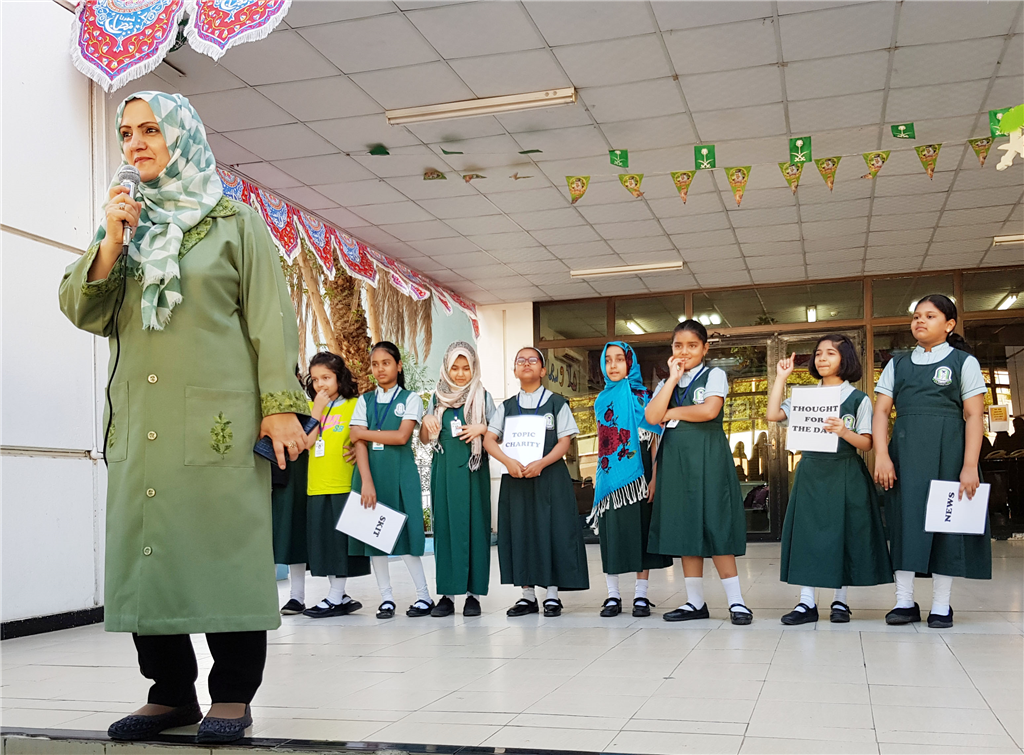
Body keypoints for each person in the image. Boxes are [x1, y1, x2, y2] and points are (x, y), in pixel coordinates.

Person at [59, 91, 308, 744]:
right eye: (126, 132)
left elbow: (271, 317)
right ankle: (170, 693)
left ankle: (232, 692)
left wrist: (281, 408)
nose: (136, 142)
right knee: (150, 551)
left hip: (220, 424)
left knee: (226, 550)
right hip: (142, 422)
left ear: (183, 136)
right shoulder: (125, 223)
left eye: (151, 129)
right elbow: (82, 308)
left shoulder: (235, 222)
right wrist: (111, 243)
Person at [874, 295, 989, 629]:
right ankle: (904, 601)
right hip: (904, 456)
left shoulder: (963, 362)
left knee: (946, 525)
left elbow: (974, 415)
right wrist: (882, 455)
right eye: (916, 316)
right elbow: (881, 412)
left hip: (950, 455)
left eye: (930, 316)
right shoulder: (897, 364)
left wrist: (970, 465)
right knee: (904, 523)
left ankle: (941, 605)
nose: (920, 321)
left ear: (949, 324)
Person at [766, 335, 892, 625]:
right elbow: (773, 414)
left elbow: (867, 443)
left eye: (831, 353)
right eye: (818, 353)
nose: (822, 358)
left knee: (844, 534)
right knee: (807, 535)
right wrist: (781, 377)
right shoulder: (805, 397)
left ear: (845, 359)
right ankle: (806, 602)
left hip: (845, 471)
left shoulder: (858, 399)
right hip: (811, 472)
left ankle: (840, 601)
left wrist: (844, 432)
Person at [645, 320, 751, 625]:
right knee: (686, 528)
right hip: (675, 464)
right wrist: (672, 379)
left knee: (716, 525)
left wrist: (672, 412)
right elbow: (651, 416)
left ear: (704, 348)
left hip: (708, 460)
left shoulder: (714, 375)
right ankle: (695, 603)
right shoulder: (667, 382)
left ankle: (737, 602)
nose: (684, 351)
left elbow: (709, 410)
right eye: (678, 346)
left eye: (692, 345)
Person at [483, 347, 589, 617]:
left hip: (550, 478)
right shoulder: (507, 407)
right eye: (521, 360)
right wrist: (508, 461)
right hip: (516, 479)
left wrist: (541, 463)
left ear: (543, 370)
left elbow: (564, 442)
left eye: (533, 360)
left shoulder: (557, 403)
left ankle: (552, 595)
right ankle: (527, 596)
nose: (526, 364)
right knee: (521, 531)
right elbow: (489, 440)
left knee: (551, 531)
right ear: (515, 371)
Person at [349, 342, 433, 618]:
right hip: (370, 475)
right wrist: (366, 481)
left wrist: (364, 433)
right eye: (375, 364)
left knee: (406, 537)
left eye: (386, 363)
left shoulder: (410, 399)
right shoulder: (365, 400)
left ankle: (424, 596)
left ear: (398, 365)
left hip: (400, 475)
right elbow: (357, 443)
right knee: (374, 537)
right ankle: (386, 598)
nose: (380, 369)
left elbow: (401, 437)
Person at [590, 342, 672, 618]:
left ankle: (641, 596)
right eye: (608, 360)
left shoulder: (645, 397)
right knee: (611, 535)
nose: (613, 365)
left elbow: (655, 441)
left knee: (641, 533)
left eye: (619, 359)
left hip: (641, 474)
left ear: (630, 363)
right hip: (610, 477)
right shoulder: (601, 400)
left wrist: (655, 478)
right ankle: (612, 595)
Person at [421, 342, 496, 617]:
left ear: (474, 368)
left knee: (476, 529)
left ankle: (473, 596)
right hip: (444, 473)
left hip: (473, 472)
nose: (461, 373)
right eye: (455, 367)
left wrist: (482, 427)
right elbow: (425, 439)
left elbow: (499, 431)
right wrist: (426, 421)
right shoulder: (436, 398)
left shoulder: (482, 396)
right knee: (445, 530)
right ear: (446, 368)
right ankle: (447, 595)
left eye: (466, 368)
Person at [299, 352, 370, 618]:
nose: (321, 384)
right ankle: (339, 596)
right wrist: (317, 409)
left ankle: (335, 597)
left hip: (344, 485)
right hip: (317, 486)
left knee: (340, 546)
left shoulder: (356, 404)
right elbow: (307, 442)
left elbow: (364, 437)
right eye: (316, 379)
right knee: (326, 545)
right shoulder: (311, 408)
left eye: (326, 378)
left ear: (339, 377)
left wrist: (358, 449)